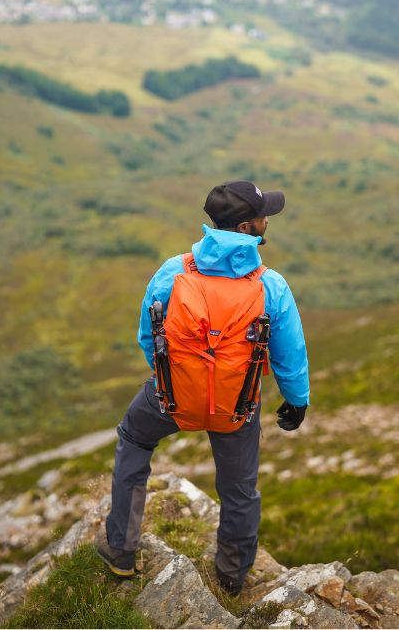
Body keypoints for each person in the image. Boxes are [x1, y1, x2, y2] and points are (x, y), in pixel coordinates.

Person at [97, 180, 310, 597]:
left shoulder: (173, 271)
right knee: (239, 488)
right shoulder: (271, 285)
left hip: (170, 399)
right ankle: (232, 573)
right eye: (265, 214)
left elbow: (149, 335)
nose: (270, 219)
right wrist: (296, 401)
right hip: (236, 407)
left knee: (133, 439)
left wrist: (171, 382)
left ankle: (122, 550)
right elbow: (290, 354)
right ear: (248, 228)